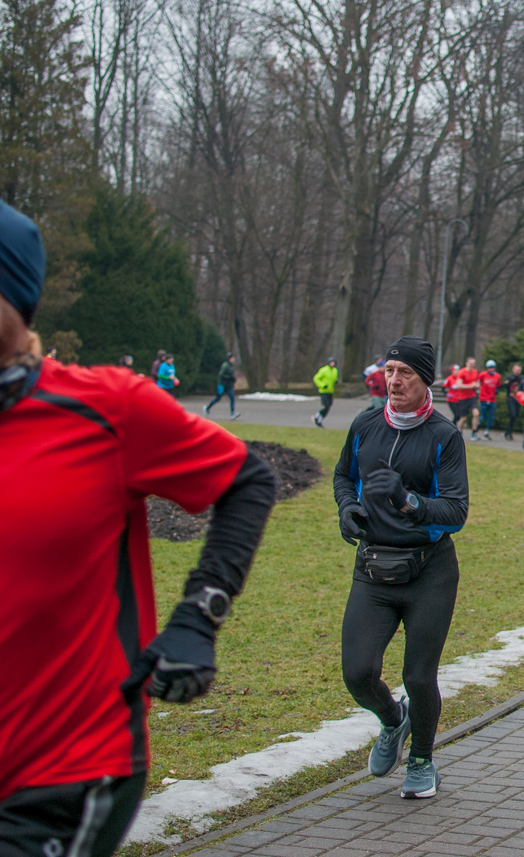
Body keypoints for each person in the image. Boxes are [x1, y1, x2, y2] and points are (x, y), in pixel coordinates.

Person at [0, 200, 275, 856]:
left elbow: (248, 480)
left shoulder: (106, 409)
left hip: (61, 771)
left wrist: (199, 613)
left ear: (16, 303)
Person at [333, 335, 468, 799]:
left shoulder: (444, 436)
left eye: (404, 372)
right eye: (389, 370)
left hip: (428, 572)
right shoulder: (365, 425)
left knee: (418, 675)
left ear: (424, 379)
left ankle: (423, 760)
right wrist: (347, 508)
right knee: (357, 672)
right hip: (372, 568)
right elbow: (343, 477)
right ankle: (394, 719)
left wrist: (409, 502)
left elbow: (456, 511)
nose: (393, 381)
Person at [204, 353, 241, 420]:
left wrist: (232, 379)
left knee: (232, 397)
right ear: (229, 359)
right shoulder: (225, 366)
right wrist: (229, 378)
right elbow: (221, 375)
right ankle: (207, 408)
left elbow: (231, 375)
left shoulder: (232, 366)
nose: (233, 359)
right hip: (222, 385)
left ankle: (232, 413)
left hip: (228, 386)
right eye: (232, 358)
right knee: (218, 398)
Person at [455, 357, 481, 439]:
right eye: (470, 364)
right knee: (463, 418)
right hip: (463, 398)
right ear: (466, 363)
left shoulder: (475, 372)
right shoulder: (462, 372)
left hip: (472, 397)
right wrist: (470, 386)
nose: (472, 366)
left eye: (473, 364)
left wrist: (476, 385)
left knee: (476, 413)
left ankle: (474, 433)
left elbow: (477, 384)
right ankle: (459, 433)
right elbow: (459, 385)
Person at [477, 360, 501, 440]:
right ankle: (478, 424)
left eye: (493, 367)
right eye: (490, 368)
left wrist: (497, 391)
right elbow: (477, 383)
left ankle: (487, 432)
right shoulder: (482, 375)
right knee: (484, 417)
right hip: (484, 398)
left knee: (491, 417)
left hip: (492, 399)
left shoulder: (497, 376)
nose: (491, 369)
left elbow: (498, 385)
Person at [313, 357, 338, 427]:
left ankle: (319, 420)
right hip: (324, 391)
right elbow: (316, 378)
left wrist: (335, 381)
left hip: (330, 391)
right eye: (331, 362)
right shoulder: (324, 370)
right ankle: (317, 416)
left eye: (333, 363)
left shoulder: (335, 370)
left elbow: (333, 379)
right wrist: (322, 385)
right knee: (326, 406)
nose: (332, 364)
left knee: (329, 406)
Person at [502, 362, 524, 440]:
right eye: (516, 370)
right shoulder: (509, 377)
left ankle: (508, 431)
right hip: (510, 399)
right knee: (513, 415)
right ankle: (508, 432)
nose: (518, 372)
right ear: (513, 369)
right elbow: (505, 385)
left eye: (519, 370)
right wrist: (510, 380)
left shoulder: (521, 378)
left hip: (518, 400)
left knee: (515, 416)